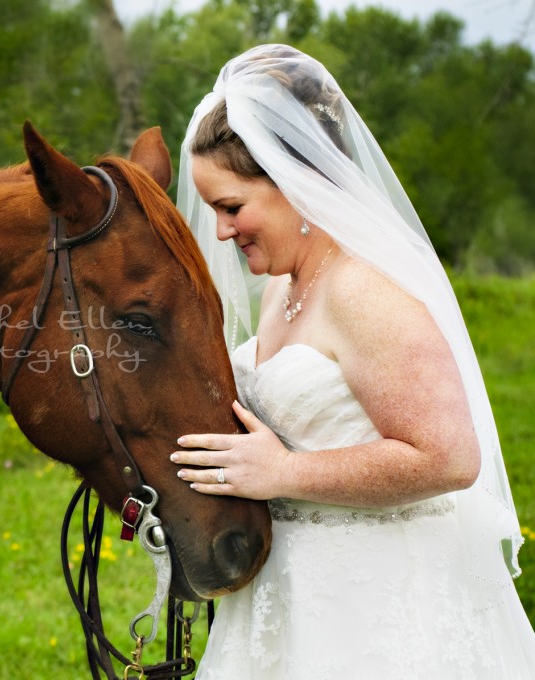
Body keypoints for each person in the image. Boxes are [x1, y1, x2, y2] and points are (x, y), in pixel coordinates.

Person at [170, 44, 535, 678]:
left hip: (378, 602)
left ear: (293, 179)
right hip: (286, 597)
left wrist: (284, 473)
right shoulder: (288, 284)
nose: (222, 232)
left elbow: (447, 457)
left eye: (232, 207)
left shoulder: (364, 291)